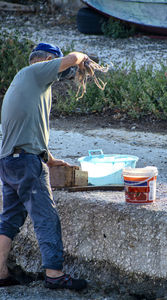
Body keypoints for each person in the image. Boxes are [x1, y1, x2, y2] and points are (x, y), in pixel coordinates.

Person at [0, 42, 88, 290]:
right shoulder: (35, 72)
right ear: (47, 60)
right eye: (55, 65)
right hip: (26, 163)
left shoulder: (29, 85)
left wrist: (49, 159)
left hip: (9, 162)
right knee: (46, 217)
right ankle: (55, 275)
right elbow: (72, 58)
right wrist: (82, 57)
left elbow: (28, 130)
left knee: (10, 219)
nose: (61, 75)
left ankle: (1, 273)